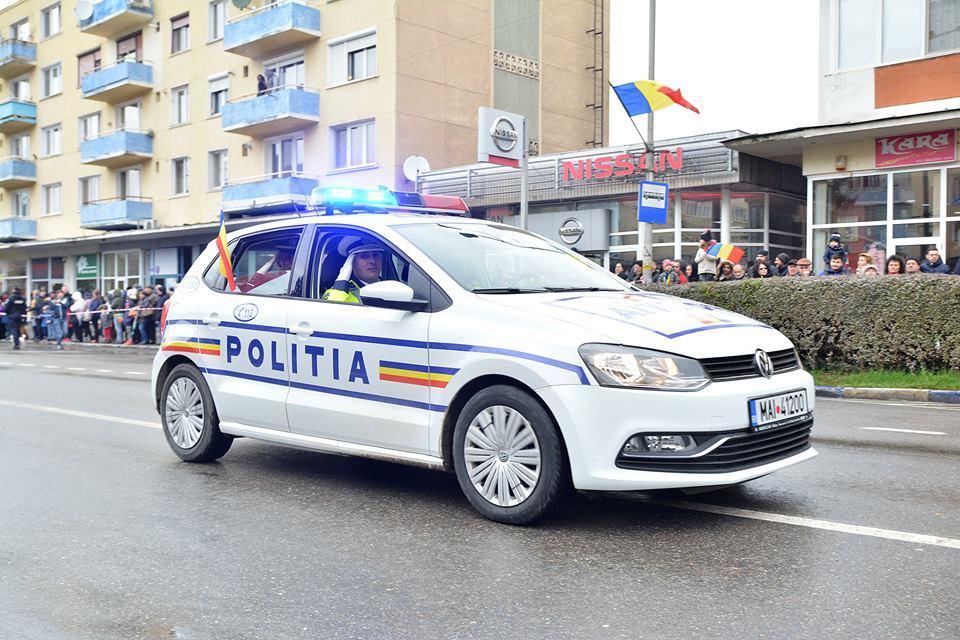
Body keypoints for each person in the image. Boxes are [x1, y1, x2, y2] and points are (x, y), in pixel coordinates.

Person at [323, 239, 388, 303]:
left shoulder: (390, 286)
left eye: (375, 255)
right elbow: (330, 311)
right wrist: (342, 278)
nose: (372, 261)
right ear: (352, 263)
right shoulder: (337, 292)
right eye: (364, 256)